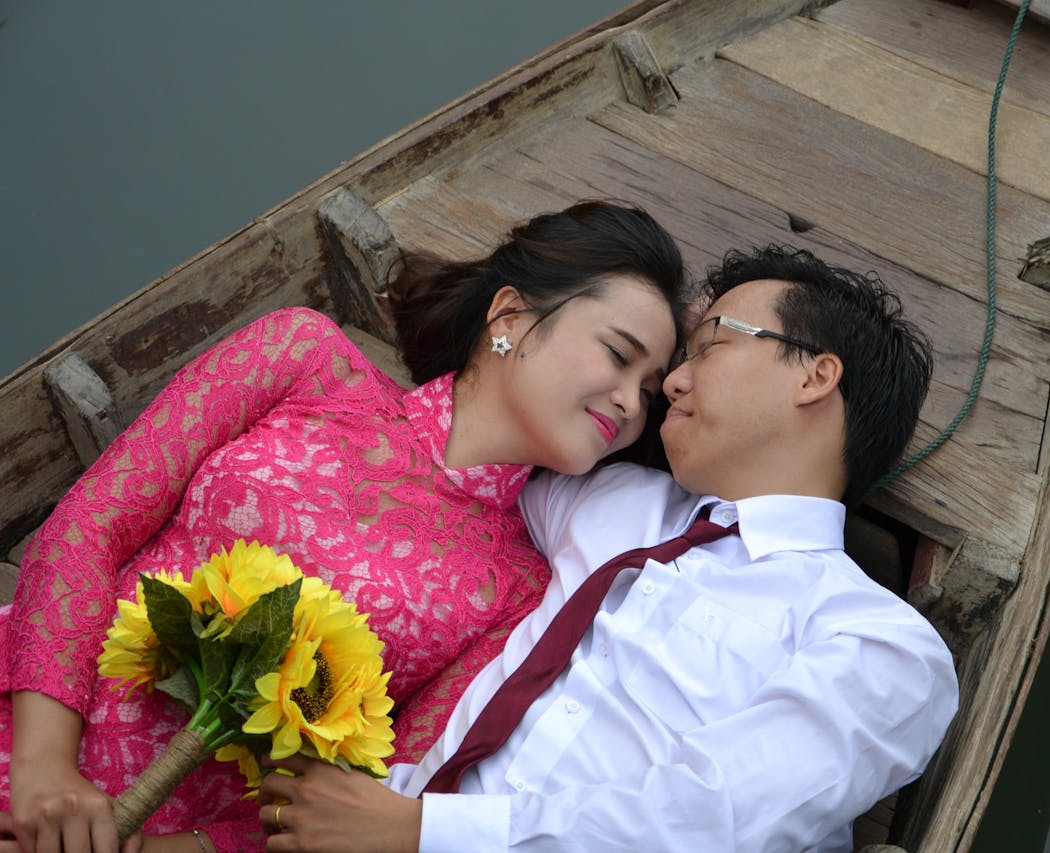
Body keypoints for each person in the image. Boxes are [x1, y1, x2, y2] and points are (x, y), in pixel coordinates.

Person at [0, 200, 686, 853]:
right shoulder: (304, 357)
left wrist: (146, 847)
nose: (630, 402)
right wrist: (42, 769)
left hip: (158, 832)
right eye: (619, 355)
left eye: (650, 390)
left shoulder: (517, 592)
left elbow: (357, 801)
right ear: (510, 315)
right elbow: (91, 526)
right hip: (31, 715)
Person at [255, 245, 960, 852]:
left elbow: (719, 819)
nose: (673, 382)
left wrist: (426, 832)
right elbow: (460, 459)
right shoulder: (609, 497)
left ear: (814, 375)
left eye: (712, 344)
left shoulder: (882, 643)